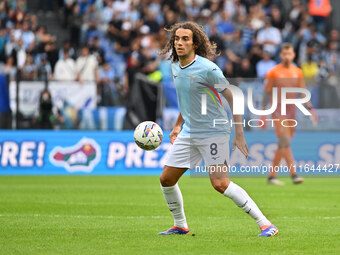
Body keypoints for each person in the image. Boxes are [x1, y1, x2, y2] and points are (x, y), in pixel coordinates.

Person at [158, 22, 278, 237]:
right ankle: (180, 225)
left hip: (214, 131)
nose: (179, 43)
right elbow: (187, 101)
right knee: (166, 179)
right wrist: (177, 125)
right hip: (189, 131)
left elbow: (234, 96)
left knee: (220, 183)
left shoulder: (208, 68)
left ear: (195, 43)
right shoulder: (175, 66)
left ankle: (266, 224)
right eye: (176, 39)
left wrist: (239, 133)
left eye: (185, 39)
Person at [262, 43, 317, 185]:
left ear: (293, 55)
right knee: (285, 140)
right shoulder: (273, 72)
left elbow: (303, 93)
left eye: (289, 53)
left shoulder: (298, 72)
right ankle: (294, 175)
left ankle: (272, 176)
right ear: (281, 55)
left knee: (282, 144)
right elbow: (266, 92)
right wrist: (263, 113)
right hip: (278, 111)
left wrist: (311, 109)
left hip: (292, 112)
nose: (287, 56)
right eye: (284, 53)